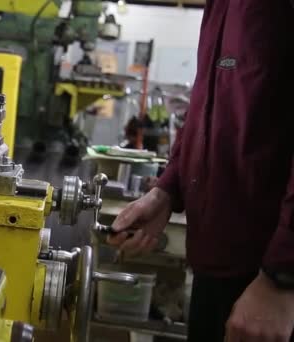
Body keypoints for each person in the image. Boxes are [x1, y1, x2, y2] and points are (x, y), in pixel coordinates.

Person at [107, 1, 294, 341]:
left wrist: (282, 279)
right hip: (220, 263)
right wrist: (168, 189)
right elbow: (214, 104)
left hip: (271, 290)